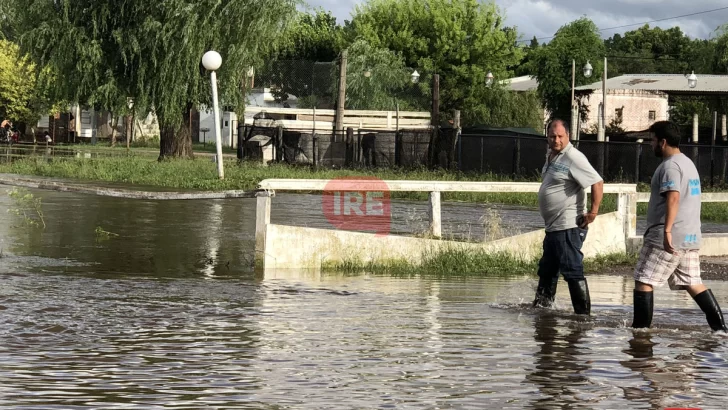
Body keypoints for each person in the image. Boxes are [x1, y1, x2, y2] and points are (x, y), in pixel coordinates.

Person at [632, 120, 727, 332]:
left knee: (643, 280)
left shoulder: (670, 166)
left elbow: (673, 197)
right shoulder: (688, 164)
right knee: (692, 282)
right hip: (690, 236)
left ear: (663, 142)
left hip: (667, 237)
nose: (651, 145)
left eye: (653, 140)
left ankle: (640, 334)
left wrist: (666, 231)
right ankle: (720, 330)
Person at [532, 118, 604, 315]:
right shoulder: (552, 156)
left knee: (572, 271)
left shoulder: (573, 157)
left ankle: (582, 318)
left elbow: (597, 182)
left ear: (568, 136)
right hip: (553, 228)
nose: (556, 140)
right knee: (547, 272)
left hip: (568, 226)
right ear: (547, 137)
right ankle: (543, 314)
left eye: (560, 136)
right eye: (552, 136)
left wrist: (593, 212)